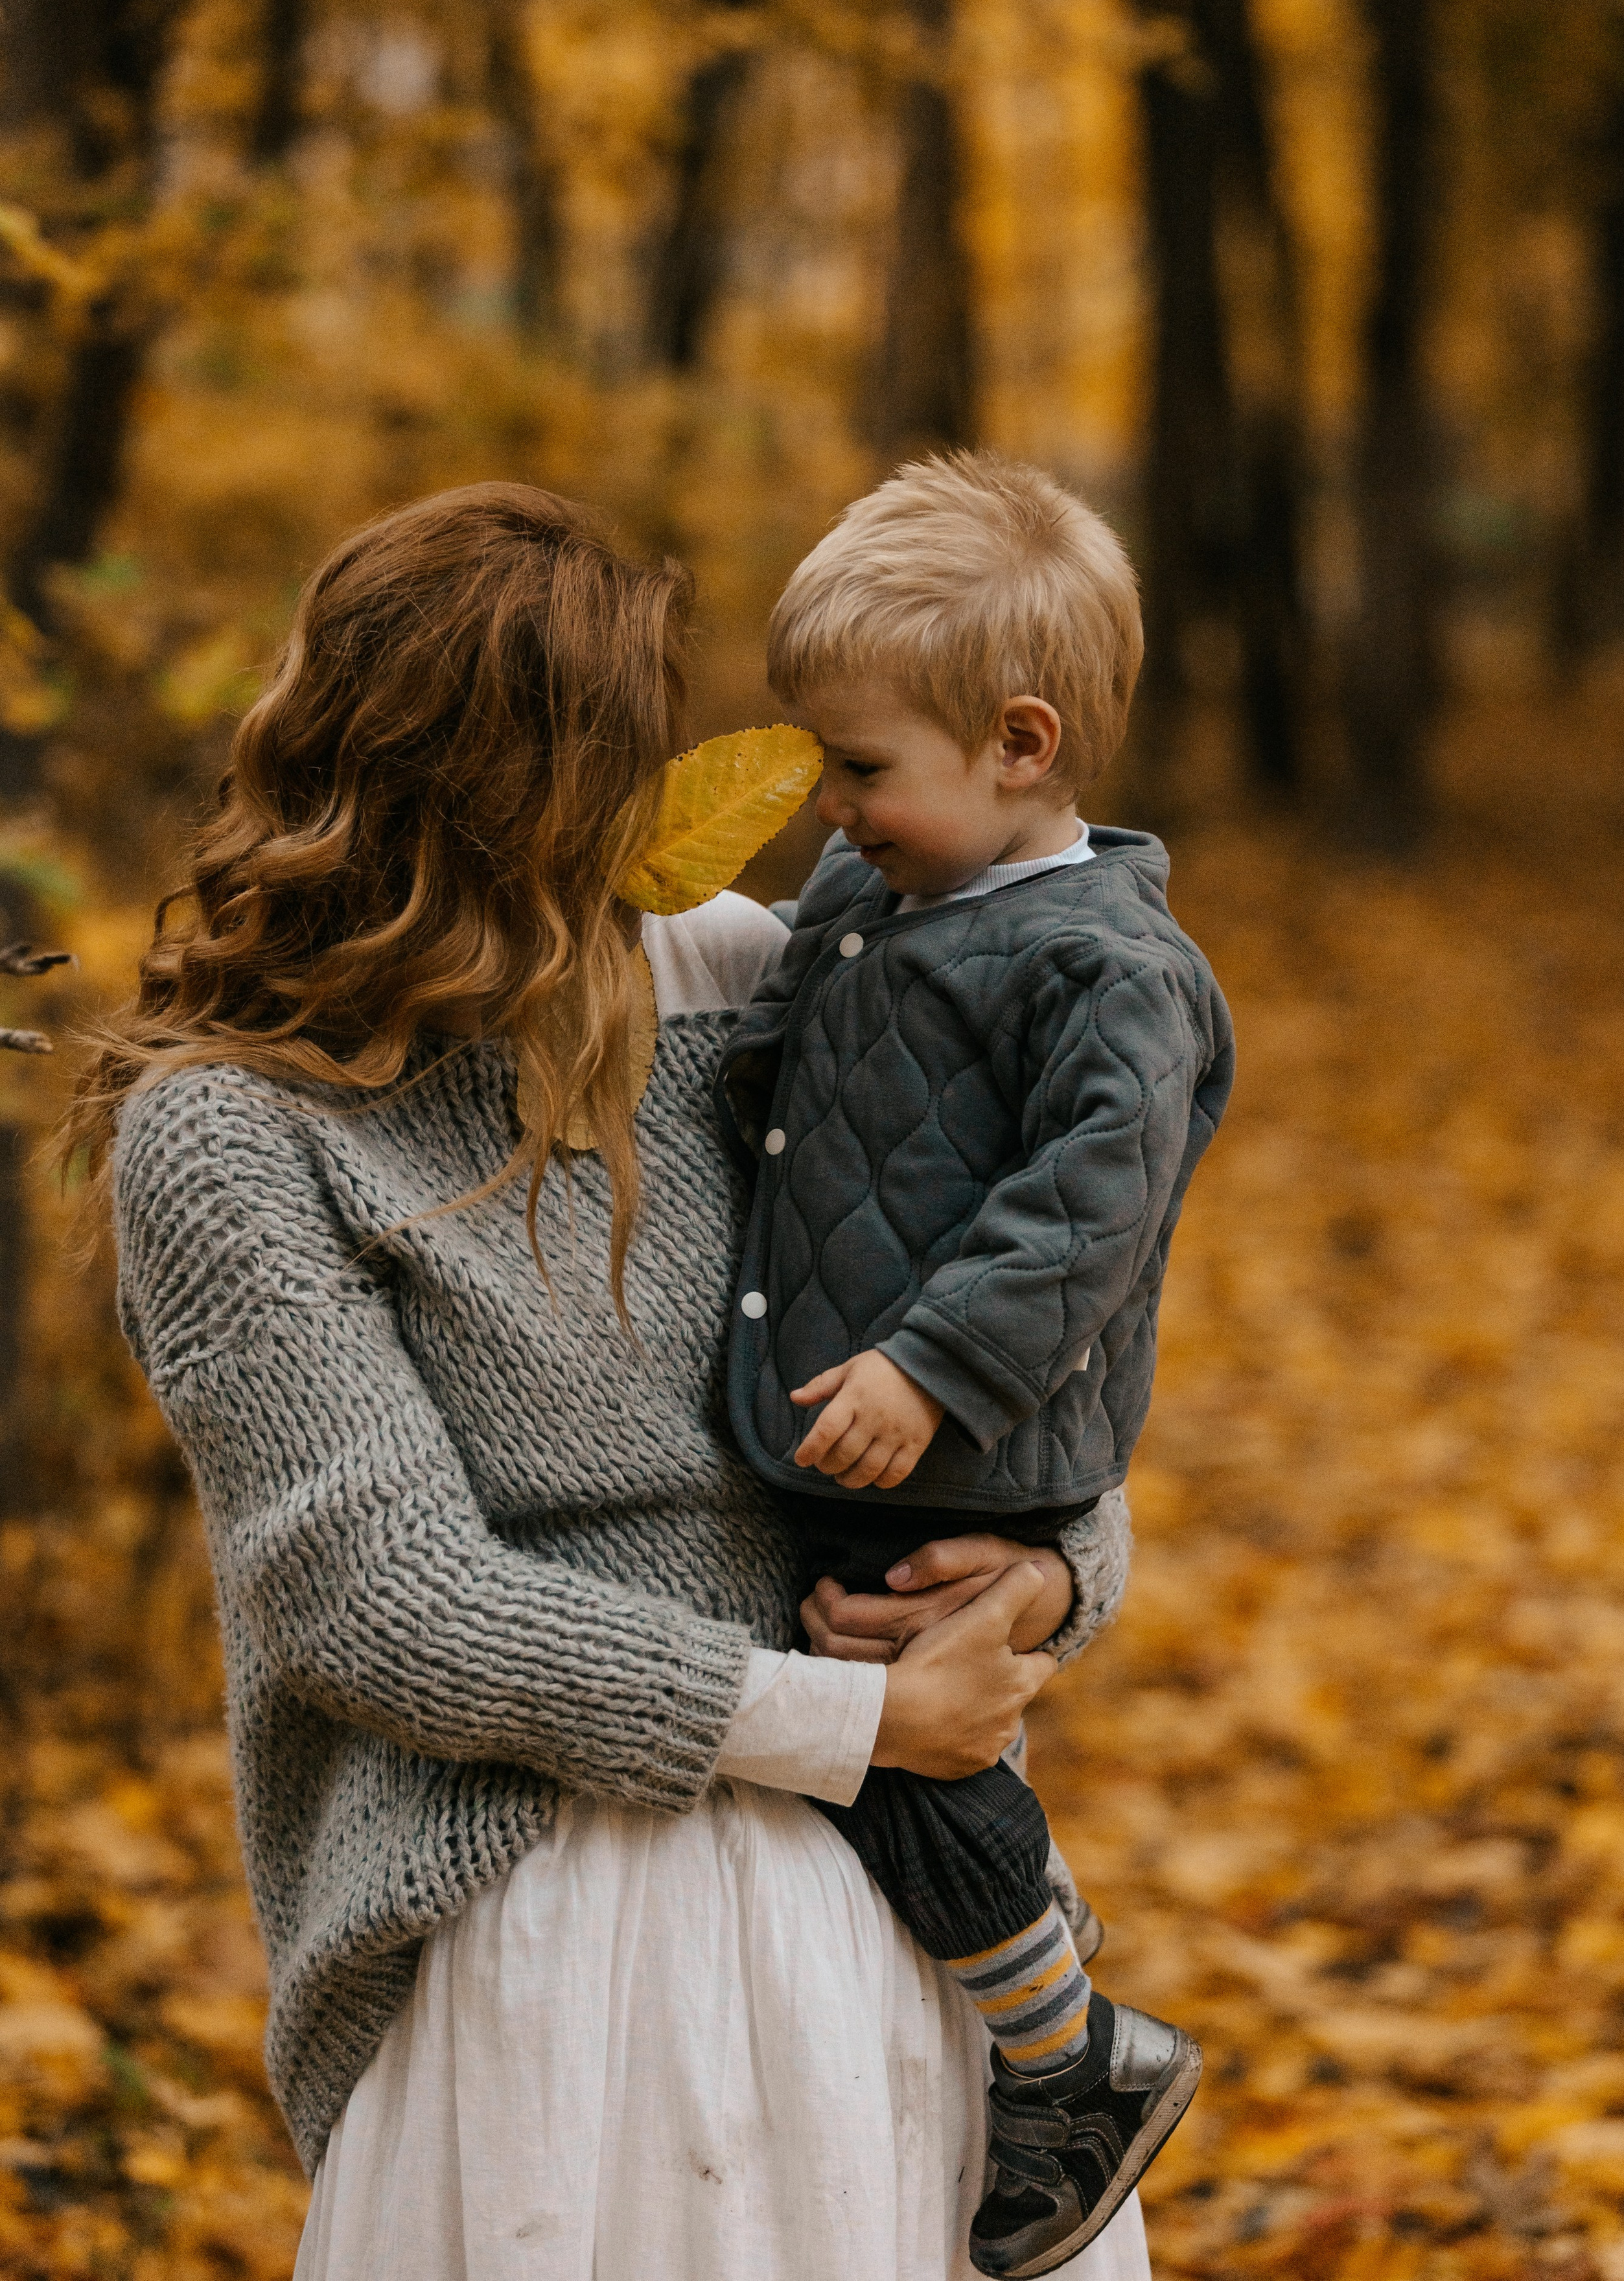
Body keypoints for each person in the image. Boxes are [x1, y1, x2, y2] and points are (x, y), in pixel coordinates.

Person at [64, 481, 1154, 2281]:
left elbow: (1035, 1337)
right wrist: (848, 1725)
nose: (639, 829)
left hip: (891, 1913)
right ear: (466, 800)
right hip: (549, 1931)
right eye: (597, 780)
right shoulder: (233, 1132)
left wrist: (1049, 1574)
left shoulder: (743, 980)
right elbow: (386, 1606)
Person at [718, 453, 1235, 2278]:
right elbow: (766, 1049)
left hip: (968, 1436)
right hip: (862, 1424)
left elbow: (1088, 1214)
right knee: (895, 1741)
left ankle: (1068, 2053)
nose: (831, 804)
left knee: (902, 1747)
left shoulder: (1110, 971)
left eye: (861, 768)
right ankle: (1053, 1994)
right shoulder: (882, 890)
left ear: (1021, 747)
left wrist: (933, 1370)